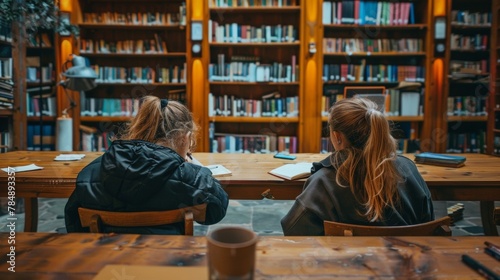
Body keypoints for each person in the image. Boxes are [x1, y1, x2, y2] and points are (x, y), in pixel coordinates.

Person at [65, 96, 229, 234]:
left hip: (107, 262)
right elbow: (217, 210)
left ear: (138, 127)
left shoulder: (92, 171)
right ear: (185, 138)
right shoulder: (189, 178)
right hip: (167, 262)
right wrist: (194, 165)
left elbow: (73, 219)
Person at [281, 97, 434, 236]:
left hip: (343, 264)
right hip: (407, 262)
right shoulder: (408, 169)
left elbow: (294, 232)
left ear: (337, 137)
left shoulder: (323, 182)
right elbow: (428, 222)